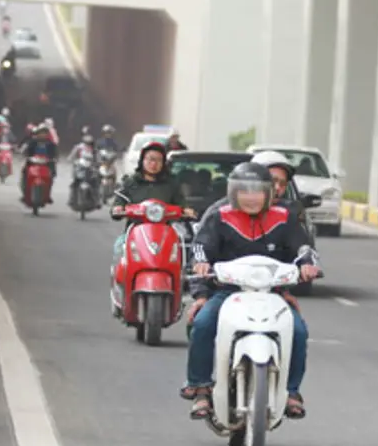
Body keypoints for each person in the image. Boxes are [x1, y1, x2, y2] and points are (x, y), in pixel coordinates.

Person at [184, 162, 320, 421]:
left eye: (257, 191)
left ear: (268, 193)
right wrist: (201, 268)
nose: (251, 197)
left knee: (299, 331)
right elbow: (201, 248)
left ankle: (292, 391)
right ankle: (200, 386)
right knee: (202, 324)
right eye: (244, 191)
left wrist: (308, 265)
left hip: (273, 293)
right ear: (233, 192)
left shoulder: (284, 217)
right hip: (227, 292)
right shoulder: (219, 216)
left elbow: (303, 248)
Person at [108, 142, 188, 302]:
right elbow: (119, 202)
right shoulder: (130, 182)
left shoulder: (171, 183)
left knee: (182, 253)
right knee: (119, 251)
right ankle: (119, 293)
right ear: (142, 161)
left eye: (158, 160)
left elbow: (182, 204)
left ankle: (179, 291)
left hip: (165, 232)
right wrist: (118, 208)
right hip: (135, 231)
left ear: (164, 163)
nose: (154, 164)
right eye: (150, 159)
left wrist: (186, 210)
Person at [18, 123, 59, 204]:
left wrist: (54, 159)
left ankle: (47, 194)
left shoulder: (51, 144)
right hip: (33, 162)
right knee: (25, 173)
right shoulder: (32, 142)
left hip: (46, 163)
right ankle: (25, 192)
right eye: (41, 133)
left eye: (44, 133)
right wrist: (27, 156)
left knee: (51, 175)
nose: (42, 134)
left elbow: (55, 154)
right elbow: (27, 152)